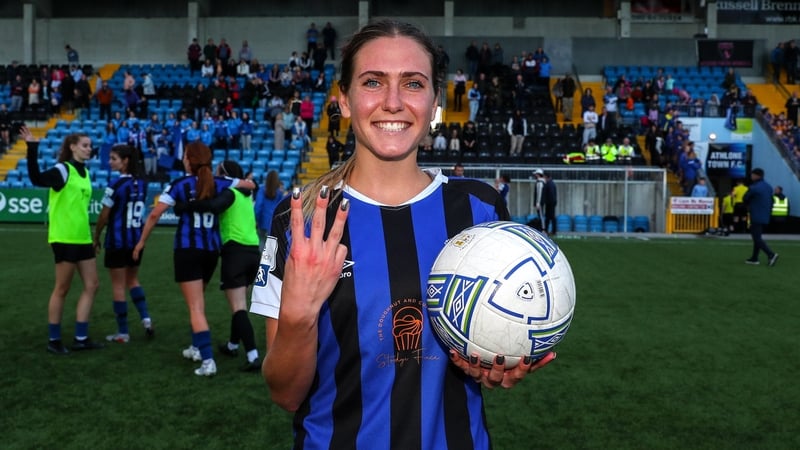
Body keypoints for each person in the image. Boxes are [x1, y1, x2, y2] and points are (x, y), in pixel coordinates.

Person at [250, 19, 554, 448]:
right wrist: (299, 317)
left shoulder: (479, 208)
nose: (393, 102)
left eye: (413, 84)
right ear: (345, 101)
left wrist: (492, 361)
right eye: (373, 82)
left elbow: (485, 351)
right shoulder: (301, 217)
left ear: (434, 104)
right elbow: (285, 393)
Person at [133, 142, 253, 376]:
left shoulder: (180, 184)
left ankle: (207, 361)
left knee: (195, 306)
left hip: (188, 250)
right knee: (198, 302)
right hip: (211, 250)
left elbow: (156, 213)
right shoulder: (219, 182)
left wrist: (141, 242)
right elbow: (249, 184)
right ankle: (197, 347)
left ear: (189, 160)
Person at [21, 126, 104, 354]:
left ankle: (81, 337)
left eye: (90, 146)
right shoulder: (63, 170)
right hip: (65, 238)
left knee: (92, 285)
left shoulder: (85, 173)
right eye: (85, 145)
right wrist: (32, 147)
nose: (89, 149)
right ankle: (54, 341)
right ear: (72, 147)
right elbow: (36, 178)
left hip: (82, 237)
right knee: (62, 288)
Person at [174, 160, 261, 372]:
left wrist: (186, 205)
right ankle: (232, 345)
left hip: (236, 251)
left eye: (218, 172)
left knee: (238, 307)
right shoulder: (246, 196)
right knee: (238, 302)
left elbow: (213, 206)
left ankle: (253, 355)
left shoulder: (231, 193)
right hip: (254, 252)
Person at [92, 144, 154, 343]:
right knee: (133, 280)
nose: (110, 162)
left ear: (125, 161)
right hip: (136, 241)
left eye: (114, 158)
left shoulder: (115, 185)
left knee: (118, 286)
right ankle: (146, 319)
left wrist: (96, 235)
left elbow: (104, 215)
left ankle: (123, 332)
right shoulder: (142, 183)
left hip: (118, 241)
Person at [743, 168, 779, 266]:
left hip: (756, 214)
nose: (751, 176)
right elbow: (772, 201)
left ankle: (771, 254)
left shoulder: (754, 187)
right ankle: (754, 258)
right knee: (757, 237)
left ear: (756, 175)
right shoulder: (768, 187)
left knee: (756, 238)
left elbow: (745, 198)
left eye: (752, 174)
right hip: (765, 215)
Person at [254, 170, 287, 250]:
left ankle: (260, 261)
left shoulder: (262, 190)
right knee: (271, 245)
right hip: (274, 221)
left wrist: (256, 219)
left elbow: (258, 206)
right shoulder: (279, 193)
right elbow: (281, 208)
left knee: (261, 241)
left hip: (262, 220)